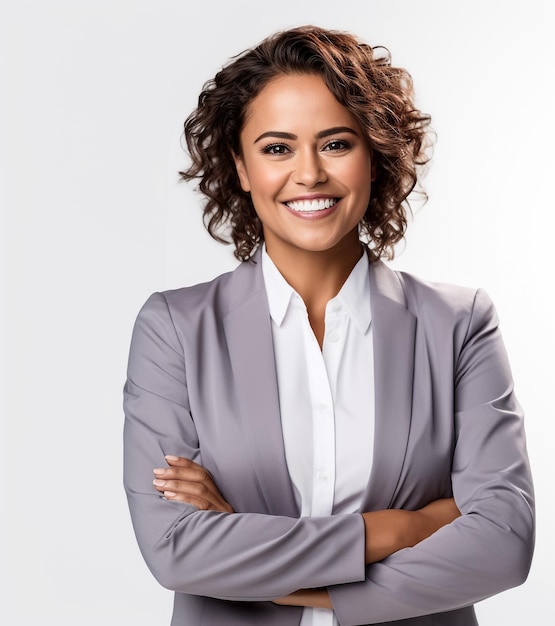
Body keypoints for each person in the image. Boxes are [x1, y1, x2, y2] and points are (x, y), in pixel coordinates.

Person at [123, 25, 534, 626]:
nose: (309, 173)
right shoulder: (175, 329)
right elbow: (176, 550)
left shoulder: (459, 324)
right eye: (276, 148)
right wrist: (405, 527)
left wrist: (252, 548)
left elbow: (502, 543)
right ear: (240, 166)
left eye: (337, 143)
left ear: (375, 156)